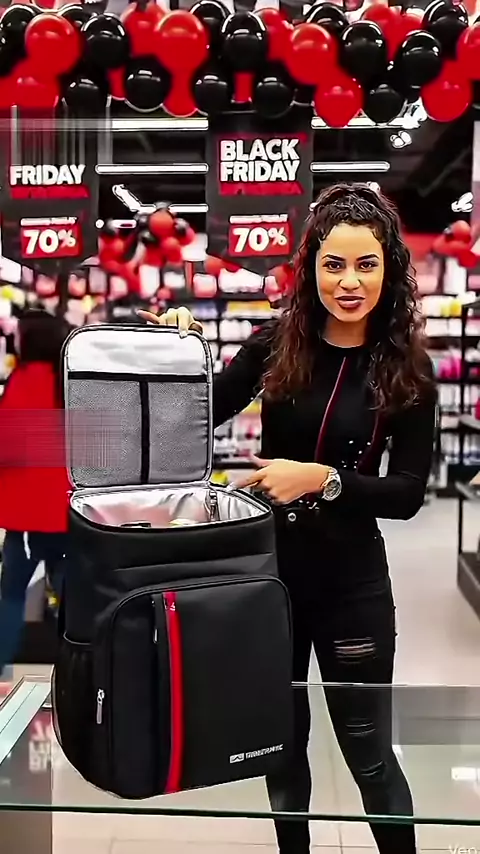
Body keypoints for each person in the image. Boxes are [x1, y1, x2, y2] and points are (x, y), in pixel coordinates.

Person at [138, 183, 437, 854]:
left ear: (389, 269)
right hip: (270, 581)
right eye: (334, 264)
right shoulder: (276, 342)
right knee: (281, 748)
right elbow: (198, 413)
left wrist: (323, 480)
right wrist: (178, 355)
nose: (349, 282)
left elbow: (408, 493)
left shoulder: (408, 369)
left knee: (370, 756)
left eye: (366, 264)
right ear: (311, 268)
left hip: (353, 586)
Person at [0, 309, 71, 673]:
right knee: (71, 604)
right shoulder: (72, 381)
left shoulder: (23, 380)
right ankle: (78, 672)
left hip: (27, 520)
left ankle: (1, 667)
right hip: (70, 516)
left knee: (11, 597)